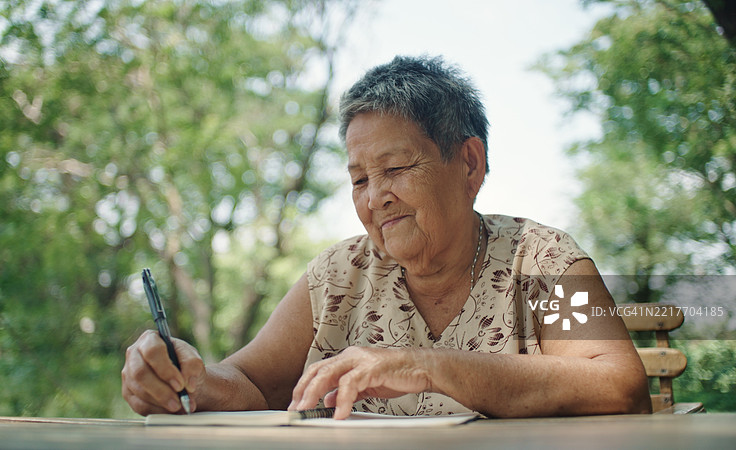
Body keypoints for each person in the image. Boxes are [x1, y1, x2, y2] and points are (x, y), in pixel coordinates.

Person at [121, 55, 652, 419]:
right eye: (358, 179)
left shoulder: (544, 259)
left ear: (469, 164)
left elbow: (619, 385)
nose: (375, 197)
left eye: (396, 168)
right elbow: (253, 384)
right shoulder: (338, 276)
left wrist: (423, 364)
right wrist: (185, 379)